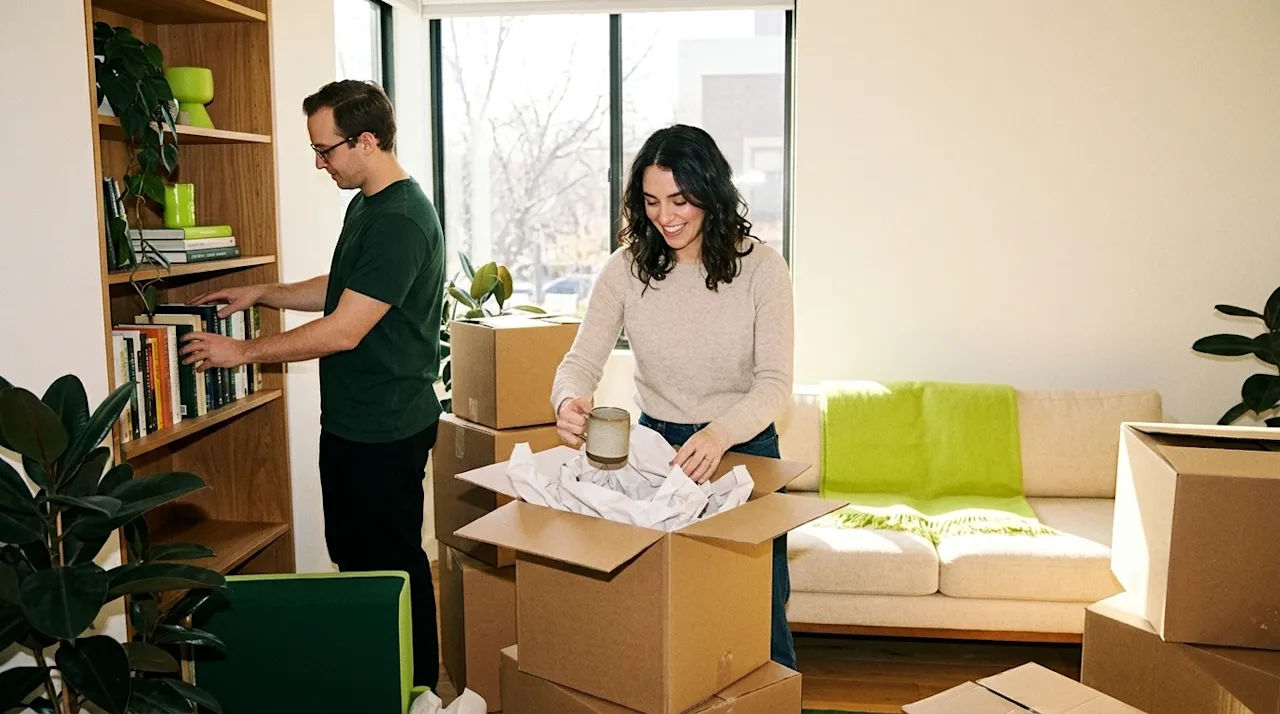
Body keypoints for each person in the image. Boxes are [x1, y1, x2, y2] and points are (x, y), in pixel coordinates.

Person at [177, 80, 446, 691]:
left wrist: (240, 351)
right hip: (353, 423)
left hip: (385, 428)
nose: (319, 163)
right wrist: (264, 292)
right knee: (358, 565)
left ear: (367, 141)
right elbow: (347, 287)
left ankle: (418, 691)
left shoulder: (402, 217)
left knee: (392, 574)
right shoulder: (370, 204)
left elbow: (346, 329)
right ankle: (381, 681)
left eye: (326, 150)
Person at [551, 124, 797, 668]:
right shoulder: (625, 270)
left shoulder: (763, 268)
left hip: (742, 448)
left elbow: (775, 382)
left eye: (681, 200)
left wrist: (720, 432)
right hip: (657, 450)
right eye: (653, 201)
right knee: (663, 608)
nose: (667, 216)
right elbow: (581, 362)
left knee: (753, 606)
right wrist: (568, 400)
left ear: (711, 192)